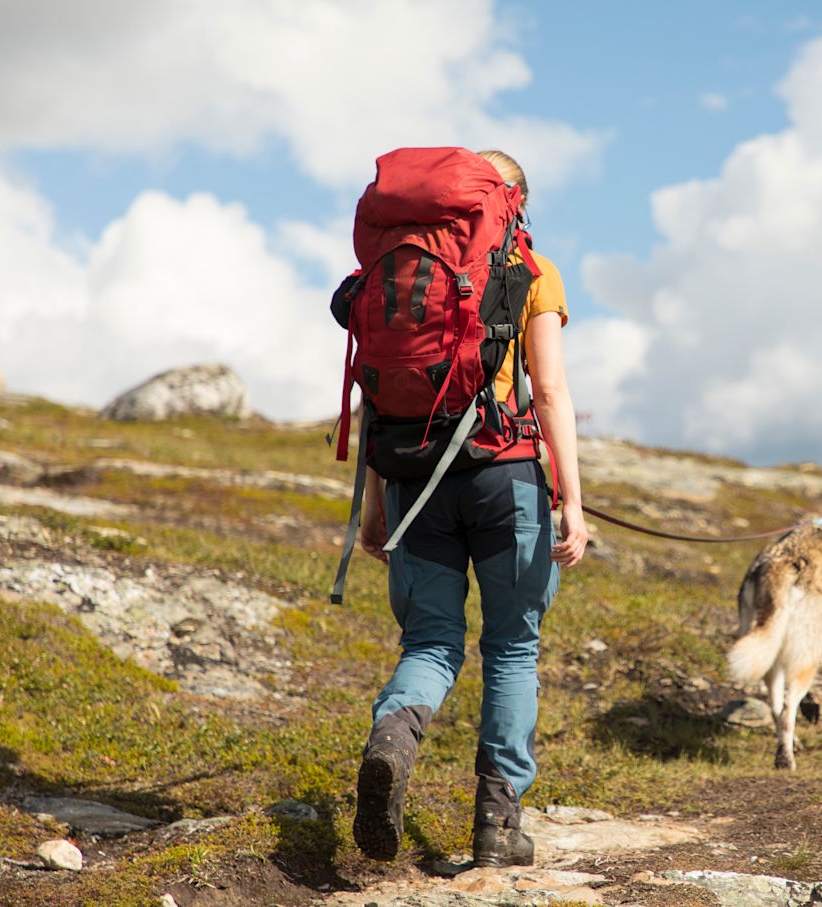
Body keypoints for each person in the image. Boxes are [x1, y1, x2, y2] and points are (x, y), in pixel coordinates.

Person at [351, 149, 589, 868]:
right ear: (514, 202)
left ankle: (391, 741)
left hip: (412, 477)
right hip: (505, 478)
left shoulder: (397, 269)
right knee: (513, 646)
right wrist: (573, 501)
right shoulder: (531, 269)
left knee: (429, 643)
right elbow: (548, 392)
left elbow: (375, 391)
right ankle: (496, 823)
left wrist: (372, 507)